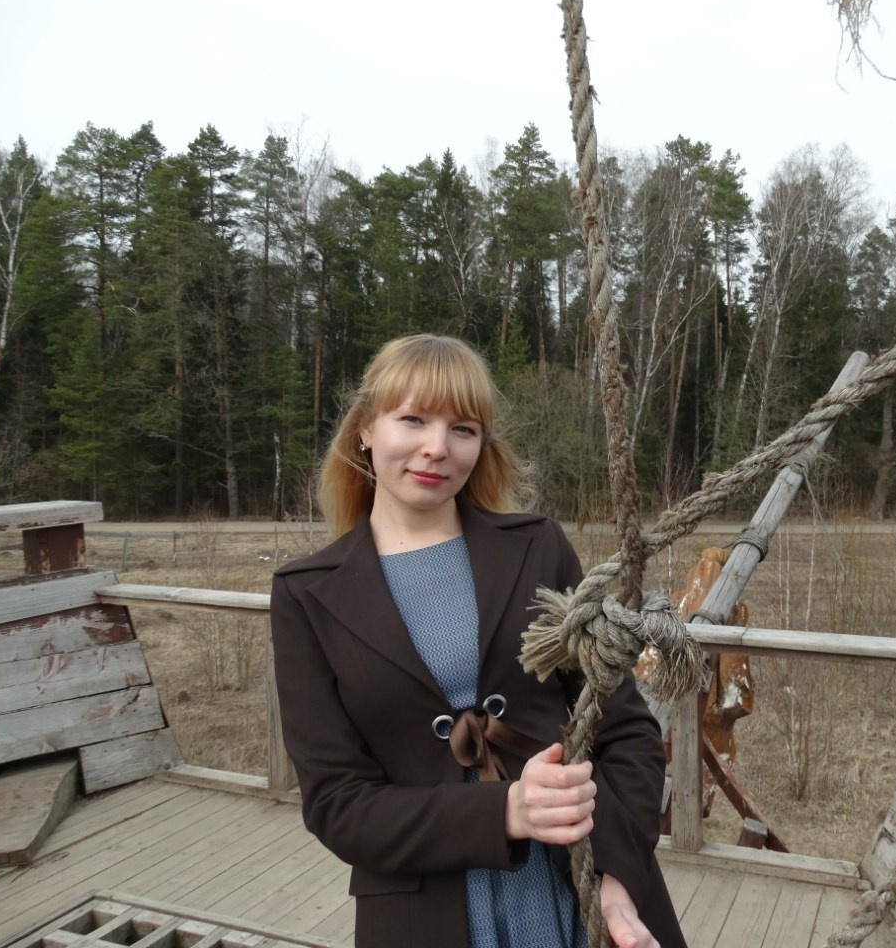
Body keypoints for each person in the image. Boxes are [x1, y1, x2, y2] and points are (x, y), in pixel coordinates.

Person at [270, 334, 686, 948]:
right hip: (422, 914)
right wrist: (506, 813)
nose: (436, 448)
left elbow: (624, 729)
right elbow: (337, 802)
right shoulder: (307, 593)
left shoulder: (536, 547)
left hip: (580, 890)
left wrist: (616, 875)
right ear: (365, 428)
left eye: (462, 429)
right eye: (412, 419)